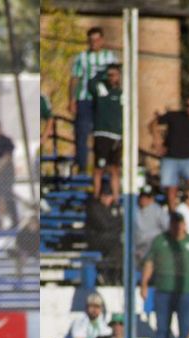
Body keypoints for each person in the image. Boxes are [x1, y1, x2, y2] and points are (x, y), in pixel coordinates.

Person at [68, 27, 118, 174]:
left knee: (103, 135)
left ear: (102, 40)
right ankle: (82, 166)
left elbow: (116, 78)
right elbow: (75, 79)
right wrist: (72, 100)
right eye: (91, 40)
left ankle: (103, 166)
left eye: (96, 39)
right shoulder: (82, 58)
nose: (94, 43)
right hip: (85, 99)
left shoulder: (110, 58)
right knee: (82, 131)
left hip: (104, 102)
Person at [149, 98, 189, 208]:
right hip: (170, 158)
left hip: (188, 160)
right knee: (171, 188)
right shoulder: (175, 116)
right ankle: (173, 214)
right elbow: (154, 123)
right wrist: (157, 143)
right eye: (188, 105)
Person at [89, 64, 124, 201]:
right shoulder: (101, 89)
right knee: (99, 167)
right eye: (109, 75)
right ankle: (96, 197)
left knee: (115, 168)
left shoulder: (122, 93)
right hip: (102, 134)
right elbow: (91, 84)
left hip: (116, 136)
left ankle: (115, 198)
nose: (112, 78)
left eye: (114, 75)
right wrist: (102, 71)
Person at [85, 191, 123, 285]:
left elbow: (122, 222)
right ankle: (105, 274)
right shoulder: (94, 207)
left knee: (120, 249)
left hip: (111, 240)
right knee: (115, 247)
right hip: (96, 240)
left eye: (108, 196)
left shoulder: (115, 207)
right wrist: (116, 223)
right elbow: (104, 225)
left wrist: (115, 223)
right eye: (104, 196)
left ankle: (115, 276)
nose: (106, 199)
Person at [133, 185, 169, 267]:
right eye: (142, 197)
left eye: (147, 197)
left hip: (152, 245)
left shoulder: (158, 210)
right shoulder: (135, 210)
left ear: (152, 199)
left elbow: (167, 227)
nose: (144, 199)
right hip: (138, 245)